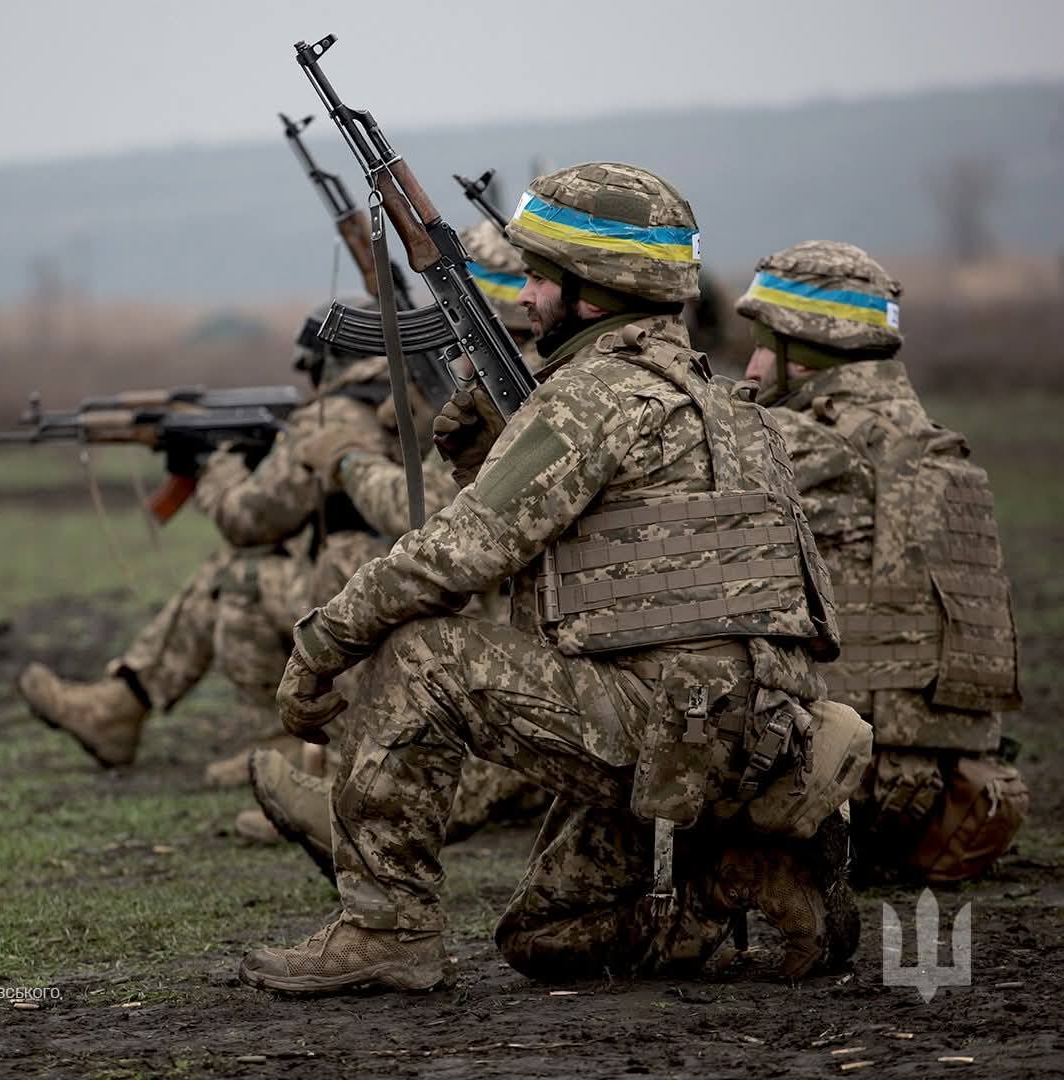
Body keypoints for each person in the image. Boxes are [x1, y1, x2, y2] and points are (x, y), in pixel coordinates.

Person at [238, 163, 871, 996]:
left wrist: (321, 644)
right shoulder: (721, 402)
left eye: (540, 279)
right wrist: (475, 433)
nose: (526, 298)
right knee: (543, 937)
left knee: (422, 656)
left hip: (665, 726)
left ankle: (386, 928)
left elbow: (455, 554)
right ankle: (737, 879)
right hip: (754, 736)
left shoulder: (593, 400)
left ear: (593, 293)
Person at [736, 241, 1028, 882]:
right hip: (961, 798)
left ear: (802, 349)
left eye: (762, 343)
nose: (753, 363)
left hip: (847, 788)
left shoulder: (808, 445)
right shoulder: (936, 451)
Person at [15, 305, 395, 786]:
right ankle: (121, 703)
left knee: (237, 576)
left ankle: (275, 740)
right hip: (377, 584)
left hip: (361, 592)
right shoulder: (398, 402)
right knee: (241, 569)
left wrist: (217, 468)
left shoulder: (335, 416)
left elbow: (249, 519)